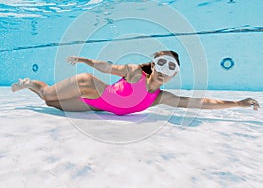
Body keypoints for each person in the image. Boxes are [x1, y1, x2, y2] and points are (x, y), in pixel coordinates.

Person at [11, 50, 259, 115]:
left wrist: (237, 103)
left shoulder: (160, 97)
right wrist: (84, 60)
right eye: (161, 64)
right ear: (153, 66)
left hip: (97, 106)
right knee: (46, 97)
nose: (165, 70)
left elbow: (198, 103)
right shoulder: (134, 73)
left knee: (51, 105)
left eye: (171, 67)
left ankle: (31, 85)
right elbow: (108, 67)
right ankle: (29, 83)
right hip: (88, 85)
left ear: (174, 74)